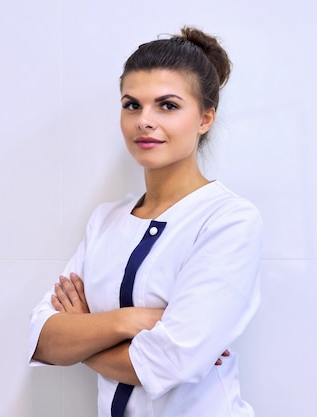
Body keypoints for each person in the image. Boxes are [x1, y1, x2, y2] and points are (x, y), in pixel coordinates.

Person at [28, 26, 262, 417]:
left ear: (205, 118)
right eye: (131, 104)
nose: (144, 121)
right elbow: (43, 339)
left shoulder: (228, 220)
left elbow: (169, 363)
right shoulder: (105, 220)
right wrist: (130, 321)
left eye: (167, 105)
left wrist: (83, 334)